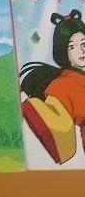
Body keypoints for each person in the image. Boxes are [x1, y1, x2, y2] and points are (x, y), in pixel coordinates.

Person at [21, 10, 85, 164]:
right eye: (72, 47)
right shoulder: (64, 83)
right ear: (63, 52)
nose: (81, 51)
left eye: (84, 44)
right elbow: (56, 119)